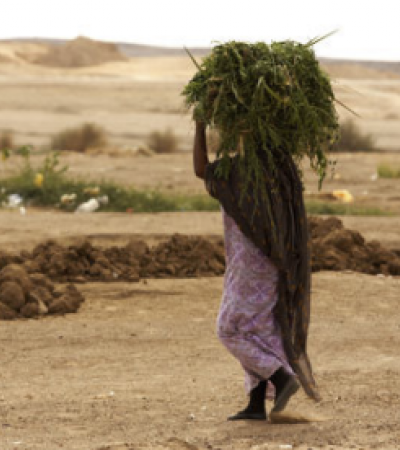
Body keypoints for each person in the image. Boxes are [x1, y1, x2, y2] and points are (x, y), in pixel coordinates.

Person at [193, 121, 320, 421]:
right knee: (259, 330)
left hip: (251, 266)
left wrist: (199, 125)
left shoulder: (241, 173)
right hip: (272, 265)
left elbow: (202, 170)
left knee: (229, 329)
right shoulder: (282, 172)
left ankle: (281, 377)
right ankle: (255, 403)